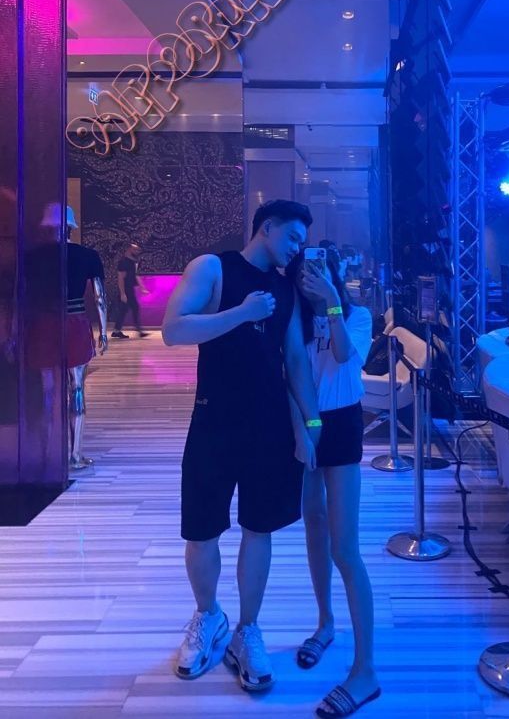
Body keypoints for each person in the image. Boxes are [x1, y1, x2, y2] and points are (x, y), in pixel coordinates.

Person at [162, 199, 321, 694]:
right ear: (266, 227)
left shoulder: (286, 289)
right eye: (292, 237)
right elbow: (173, 329)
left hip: (269, 424)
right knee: (201, 531)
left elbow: (295, 359)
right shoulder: (213, 268)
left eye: (302, 242)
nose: (296, 248)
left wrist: (311, 421)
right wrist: (242, 313)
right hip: (214, 418)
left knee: (260, 527)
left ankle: (247, 629)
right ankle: (208, 615)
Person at [287, 249, 379, 718]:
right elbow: (288, 375)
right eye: (306, 270)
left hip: (342, 423)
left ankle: (365, 670)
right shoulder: (293, 319)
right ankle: (325, 623)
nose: (312, 276)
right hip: (306, 421)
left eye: (321, 268)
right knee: (314, 526)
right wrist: (301, 428)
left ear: (336, 272)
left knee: (346, 548)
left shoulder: (357, 315)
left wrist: (332, 303)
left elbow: (344, 355)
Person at [26, 203, 108, 469]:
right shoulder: (88, 255)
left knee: (47, 392)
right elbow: (99, 298)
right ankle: (75, 455)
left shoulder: (32, 256)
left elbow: (24, 296)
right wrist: (103, 331)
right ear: (71, 226)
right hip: (75, 323)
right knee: (78, 389)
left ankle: (47, 455)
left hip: (43, 323)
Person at [112, 242, 150, 339]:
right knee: (132, 308)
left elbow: (135, 275)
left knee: (125, 310)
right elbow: (120, 278)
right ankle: (138, 330)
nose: (137, 251)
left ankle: (117, 331)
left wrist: (142, 288)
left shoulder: (133, 262)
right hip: (125, 289)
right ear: (128, 249)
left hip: (130, 289)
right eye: (135, 249)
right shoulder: (123, 262)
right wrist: (122, 293)